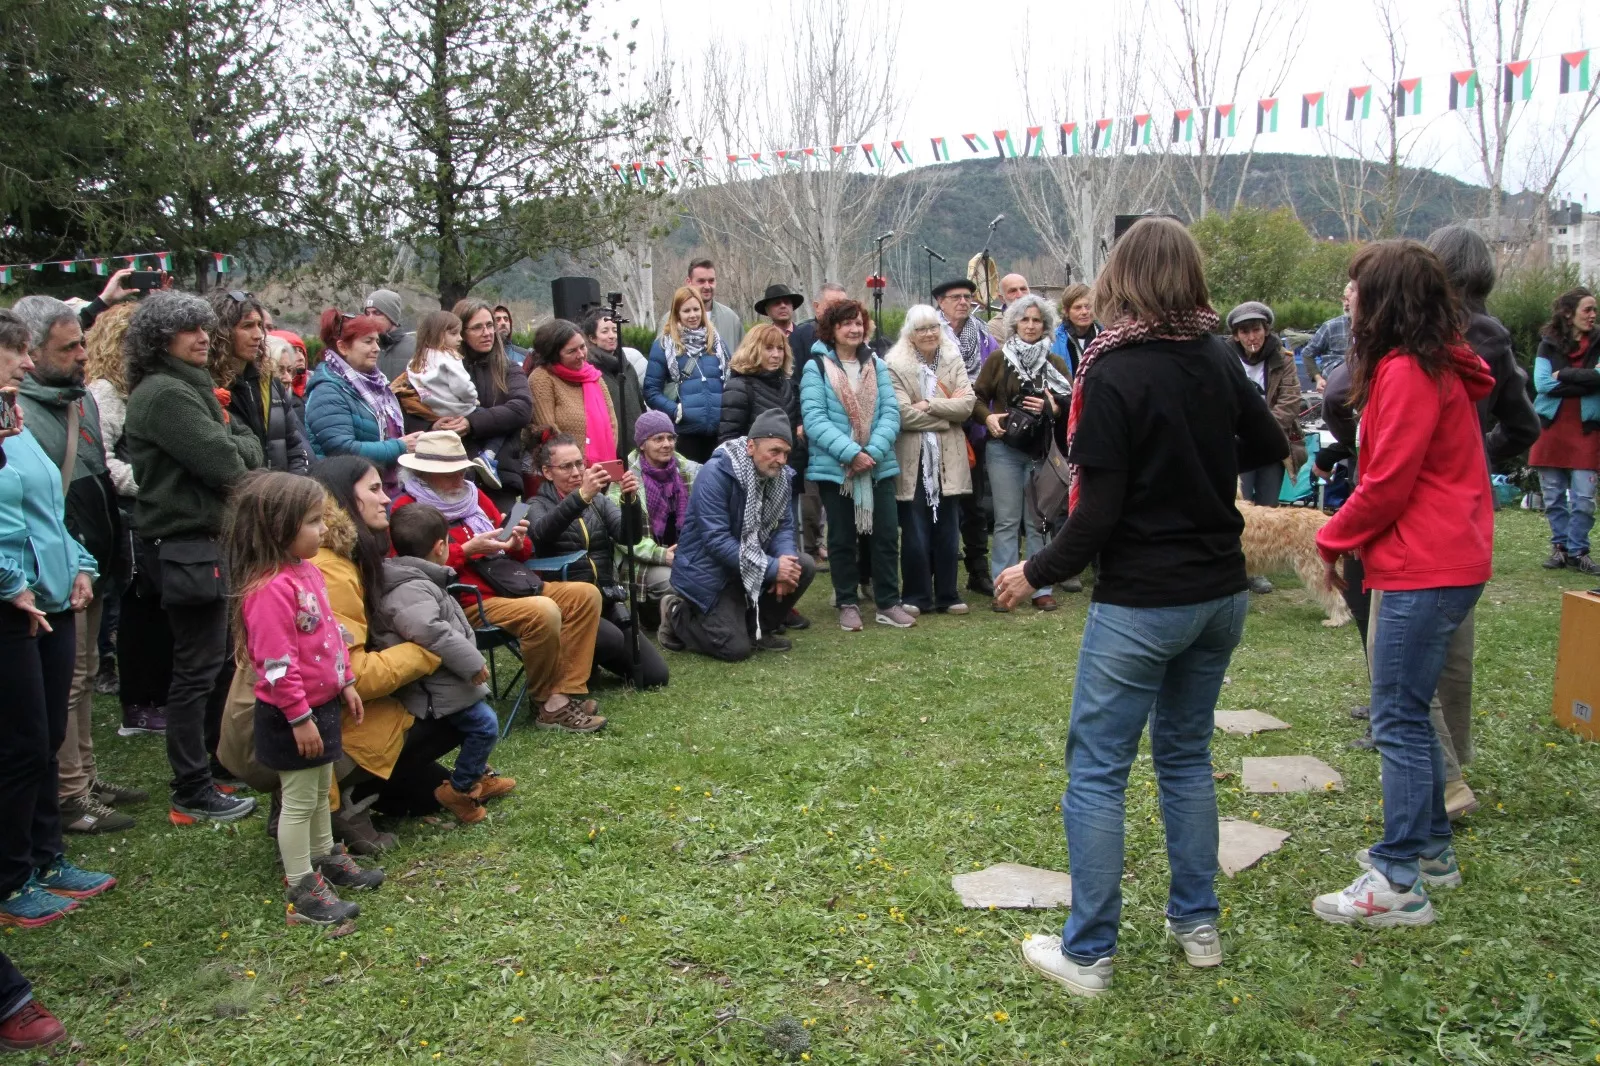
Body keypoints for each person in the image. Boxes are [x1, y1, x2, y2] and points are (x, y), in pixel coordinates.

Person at [996, 217, 1288, 996]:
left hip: (1146, 604)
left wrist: (1032, 570)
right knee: (1185, 757)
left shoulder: (1115, 370)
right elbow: (1268, 444)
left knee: (1097, 771)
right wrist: (1197, 458)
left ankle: (1088, 954)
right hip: (1219, 595)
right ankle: (1197, 924)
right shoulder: (1216, 354)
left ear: (1121, 279)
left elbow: (1095, 515)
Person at [1310, 240, 1494, 928]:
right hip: (1444, 558)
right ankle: (1432, 852)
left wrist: (1330, 538)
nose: (1348, 300)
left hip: (1426, 564)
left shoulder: (1407, 372)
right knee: (1410, 711)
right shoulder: (1431, 364)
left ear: (1384, 299)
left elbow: (1387, 483)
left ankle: (1397, 881)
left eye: (1357, 288)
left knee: (1398, 717)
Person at [1416, 224, 1541, 819]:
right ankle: (1455, 760)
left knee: (1398, 652)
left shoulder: (1422, 335)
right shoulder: (1495, 338)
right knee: (1454, 642)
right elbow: (1524, 426)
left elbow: (1341, 396)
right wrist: (1480, 453)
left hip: (1418, 506)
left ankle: (1444, 779)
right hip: (1470, 512)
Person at [123, 292, 263, 823]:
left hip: (206, 540)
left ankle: (215, 763)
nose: (203, 338)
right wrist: (231, 437)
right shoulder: (166, 394)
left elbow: (249, 444)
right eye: (189, 331)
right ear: (160, 341)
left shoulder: (192, 386)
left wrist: (232, 437)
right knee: (196, 669)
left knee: (218, 660)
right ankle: (191, 787)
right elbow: (229, 464)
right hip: (185, 544)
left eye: (205, 328)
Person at [0, 307, 118, 931]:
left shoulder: (13, 424)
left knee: (43, 741)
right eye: (15, 352)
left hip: (51, 600)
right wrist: (9, 582)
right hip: (12, 607)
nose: (26, 364)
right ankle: (11, 876)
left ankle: (47, 857)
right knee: (18, 746)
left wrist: (80, 563)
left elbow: (48, 509)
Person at [226, 471, 383, 928]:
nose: (323, 529)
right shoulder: (269, 589)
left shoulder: (308, 571)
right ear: (279, 528)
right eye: (313, 522)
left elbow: (330, 634)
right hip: (292, 715)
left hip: (322, 706)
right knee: (297, 800)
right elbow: (275, 664)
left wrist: (346, 680)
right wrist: (298, 717)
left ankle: (325, 856)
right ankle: (301, 886)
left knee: (317, 792)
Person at [10, 297, 141, 834]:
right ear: (32, 351)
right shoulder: (20, 412)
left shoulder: (77, 398)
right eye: (68, 348)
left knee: (83, 676)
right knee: (64, 685)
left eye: (82, 343)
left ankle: (83, 776)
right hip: (47, 569)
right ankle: (68, 794)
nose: (83, 355)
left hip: (86, 557)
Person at [299, 456, 476, 846]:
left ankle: (360, 789)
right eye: (375, 489)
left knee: (432, 794)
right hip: (326, 728)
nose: (386, 499)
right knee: (457, 705)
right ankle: (336, 800)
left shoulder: (347, 557)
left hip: (348, 716)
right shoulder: (331, 569)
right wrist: (429, 650)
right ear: (344, 499)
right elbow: (352, 675)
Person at [389, 431, 606, 732]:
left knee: (585, 595)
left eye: (461, 470)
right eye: (450, 473)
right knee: (543, 611)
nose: (460, 478)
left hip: (511, 584)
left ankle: (561, 694)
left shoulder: (473, 496)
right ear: (424, 473)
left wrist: (516, 542)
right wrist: (465, 551)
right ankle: (547, 702)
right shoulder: (406, 510)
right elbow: (409, 569)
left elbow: (516, 548)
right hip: (465, 601)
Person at [376, 503, 516, 824]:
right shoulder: (410, 587)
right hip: (437, 684)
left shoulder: (416, 578)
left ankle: (478, 776)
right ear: (441, 547)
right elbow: (430, 630)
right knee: (484, 726)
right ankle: (460, 790)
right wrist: (471, 662)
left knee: (477, 723)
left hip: (446, 679)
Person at [658, 409, 816, 659]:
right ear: (751, 447)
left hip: (747, 563)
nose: (781, 460)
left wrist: (785, 561)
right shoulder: (716, 473)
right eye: (774, 451)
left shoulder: (781, 477)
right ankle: (676, 614)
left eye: (786, 453)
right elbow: (716, 540)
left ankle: (758, 630)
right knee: (734, 650)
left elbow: (784, 526)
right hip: (711, 573)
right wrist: (773, 568)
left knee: (801, 565)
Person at [800, 299, 915, 631]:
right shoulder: (816, 367)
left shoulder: (877, 365)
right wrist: (852, 454)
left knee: (886, 536)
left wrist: (872, 452)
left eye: (858, 323)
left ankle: (888, 603)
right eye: (846, 323)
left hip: (877, 465)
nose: (854, 329)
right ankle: (847, 601)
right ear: (832, 329)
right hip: (836, 469)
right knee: (841, 539)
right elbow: (814, 419)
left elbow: (890, 413)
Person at [85, 303, 171, 733]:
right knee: (139, 610)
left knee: (156, 609)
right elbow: (99, 459)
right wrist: (152, 481)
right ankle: (138, 704)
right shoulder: (105, 393)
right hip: (128, 517)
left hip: (149, 514)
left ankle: (158, 697)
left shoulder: (141, 389)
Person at [527, 435, 669, 688]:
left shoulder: (599, 501)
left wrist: (630, 501)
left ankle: (589, 660)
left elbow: (629, 537)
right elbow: (541, 534)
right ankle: (578, 664)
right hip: (569, 607)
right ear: (547, 472)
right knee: (610, 640)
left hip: (607, 599)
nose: (576, 472)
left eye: (579, 464)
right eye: (566, 466)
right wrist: (581, 497)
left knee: (655, 676)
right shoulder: (536, 504)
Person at [974, 294, 1073, 612]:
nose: (1030, 325)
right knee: (1006, 521)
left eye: (1037, 320)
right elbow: (976, 397)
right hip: (1003, 448)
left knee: (1038, 521)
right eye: (1025, 319)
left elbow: (1071, 404)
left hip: (1041, 451)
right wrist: (988, 418)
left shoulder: (1055, 363)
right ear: (1014, 323)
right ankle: (1004, 588)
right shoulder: (999, 359)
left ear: (1045, 325)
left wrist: (1052, 408)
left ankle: (1040, 586)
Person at [886, 304, 975, 615]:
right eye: (921, 328)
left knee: (949, 527)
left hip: (948, 458)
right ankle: (916, 596)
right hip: (913, 457)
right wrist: (945, 416)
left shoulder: (953, 358)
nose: (928, 334)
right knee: (915, 528)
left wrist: (927, 404)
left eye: (933, 327)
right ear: (910, 333)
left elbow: (967, 405)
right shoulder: (894, 364)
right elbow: (901, 414)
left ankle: (948, 595)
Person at [414, 299, 536, 508]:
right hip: (450, 474)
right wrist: (432, 426)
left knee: (505, 528)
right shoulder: (436, 369)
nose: (487, 333)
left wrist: (472, 422)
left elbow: (522, 408)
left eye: (489, 325)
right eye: (477, 327)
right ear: (460, 332)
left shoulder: (508, 369)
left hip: (500, 480)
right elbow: (412, 409)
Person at [1225, 301, 1305, 594]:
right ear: (1236, 335)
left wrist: (1262, 430)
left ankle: (1259, 568)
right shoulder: (1225, 359)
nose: (1251, 336)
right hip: (1236, 443)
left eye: (1256, 329)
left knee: (1268, 506)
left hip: (1273, 442)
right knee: (1239, 507)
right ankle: (1237, 565)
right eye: (1244, 331)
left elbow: (1291, 400)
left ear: (1266, 330)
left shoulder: (1283, 359)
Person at [305, 309, 421, 493]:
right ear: (343, 347)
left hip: (377, 486)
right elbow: (342, 449)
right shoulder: (328, 391)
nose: (377, 348)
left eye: (377, 341)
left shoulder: (374, 385)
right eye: (368, 341)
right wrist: (400, 446)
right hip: (348, 492)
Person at [935, 277, 1000, 596]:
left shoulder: (984, 336)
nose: (963, 302)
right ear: (940, 302)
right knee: (938, 503)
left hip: (974, 430)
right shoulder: (928, 333)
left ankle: (978, 571)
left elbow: (995, 378)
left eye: (967, 296)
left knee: (974, 505)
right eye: (956, 297)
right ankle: (937, 573)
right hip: (937, 429)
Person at [1530, 287, 1600, 574]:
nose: (1593, 315)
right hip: (1551, 428)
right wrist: (1587, 381)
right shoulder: (1548, 345)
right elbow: (1543, 384)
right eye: (1588, 309)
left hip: (1587, 429)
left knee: (1584, 498)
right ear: (1569, 314)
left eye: (1595, 309)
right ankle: (1561, 547)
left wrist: (1565, 375)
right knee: (1553, 495)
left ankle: (1578, 549)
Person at [393, 310, 503, 487]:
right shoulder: (449, 358)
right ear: (438, 335)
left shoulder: (416, 360)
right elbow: (462, 386)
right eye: (454, 333)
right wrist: (473, 398)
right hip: (460, 409)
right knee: (495, 423)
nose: (460, 338)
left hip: (433, 412)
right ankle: (488, 456)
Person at [207, 290, 311, 476]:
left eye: (260, 326)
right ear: (222, 331)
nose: (258, 335)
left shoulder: (270, 382)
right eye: (247, 326)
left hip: (281, 488)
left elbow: (294, 447)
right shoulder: (207, 385)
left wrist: (294, 488)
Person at [789, 282, 847, 558]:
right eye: (832, 304)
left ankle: (839, 544)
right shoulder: (802, 335)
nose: (838, 310)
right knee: (812, 490)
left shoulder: (848, 335)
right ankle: (811, 546)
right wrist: (800, 420)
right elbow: (794, 380)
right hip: (811, 423)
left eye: (842, 304)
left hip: (844, 425)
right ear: (816, 307)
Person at [644, 286, 731, 463]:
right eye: (686, 311)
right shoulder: (663, 346)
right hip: (684, 434)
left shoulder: (717, 344)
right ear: (677, 314)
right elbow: (651, 391)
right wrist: (675, 410)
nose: (693, 315)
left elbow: (732, 381)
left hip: (719, 433)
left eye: (696, 309)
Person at [622, 411, 700, 607]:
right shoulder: (626, 477)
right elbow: (621, 535)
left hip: (684, 553)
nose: (667, 444)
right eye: (658, 439)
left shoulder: (688, 471)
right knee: (676, 583)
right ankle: (661, 616)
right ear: (642, 444)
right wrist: (662, 555)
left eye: (671, 437)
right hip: (643, 560)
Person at [528, 319, 619, 466]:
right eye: (572, 351)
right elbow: (548, 431)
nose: (581, 354)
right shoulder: (542, 378)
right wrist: (579, 467)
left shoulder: (593, 377)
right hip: (566, 469)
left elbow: (612, 424)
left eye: (582, 347)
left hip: (603, 469)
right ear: (554, 354)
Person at [582, 309, 647, 462]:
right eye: (605, 331)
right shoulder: (589, 372)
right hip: (609, 450)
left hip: (637, 446)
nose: (612, 335)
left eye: (614, 330)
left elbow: (640, 405)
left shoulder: (627, 366)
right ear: (592, 338)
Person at [681, 258, 744, 351]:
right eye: (701, 281)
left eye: (711, 281)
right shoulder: (672, 319)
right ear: (689, 282)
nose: (707, 286)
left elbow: (745, 355)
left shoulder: (731, 319)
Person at [1300, 282, 1354, 389]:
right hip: (1334, 387)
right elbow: (1307, 354)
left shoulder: (1372, 328)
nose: (1346, 304)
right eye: (1344, 299)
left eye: (1349, 299)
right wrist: (1318, 379)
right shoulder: (1330, 326)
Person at [789, 281, 847, 374]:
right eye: (833, 305)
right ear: (816, 306)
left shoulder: (852, 334)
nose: (840, 310)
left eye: (844, 305)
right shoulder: (800, 335)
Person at [365, 288, 417, 382]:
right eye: (367, 313)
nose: (370, 319)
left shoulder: (416, 348)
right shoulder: (362, 347)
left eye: (377, 313)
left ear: (391, 316)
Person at [1051, 283, 1100, 377]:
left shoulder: (1105, 337)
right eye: (1078, 307)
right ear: (1066, 311)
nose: (1084, 312)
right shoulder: (1054, 341)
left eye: (1088, 307)